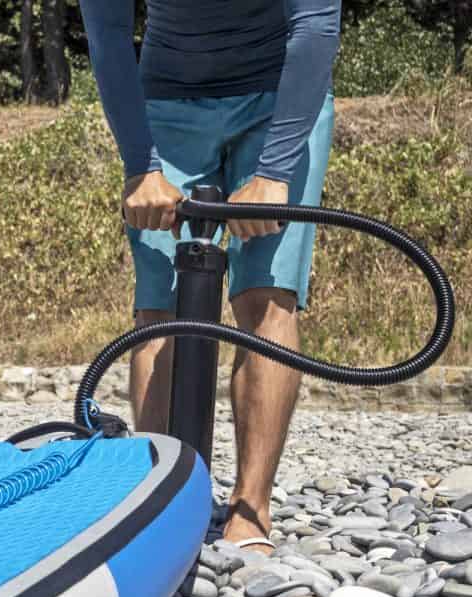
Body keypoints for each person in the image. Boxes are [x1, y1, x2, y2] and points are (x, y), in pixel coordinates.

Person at [79, 0, 341, 554]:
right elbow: (106, 32)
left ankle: (250, 512)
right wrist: (139, 166)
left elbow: (315, 21)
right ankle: (158, 503)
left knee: (267, 298)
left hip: (280, 97)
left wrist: (273, 172)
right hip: (166, 103)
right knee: (161, 310)